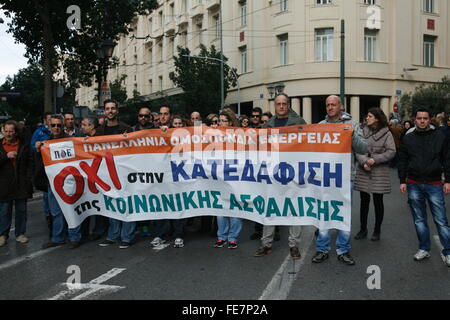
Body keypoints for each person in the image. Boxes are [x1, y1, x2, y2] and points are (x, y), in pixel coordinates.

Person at [311, 95, 367, 266]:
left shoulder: (352, 124)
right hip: (325, 177)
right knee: (324, 212)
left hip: (344, 177)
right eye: (328, 105)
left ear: (341, 106)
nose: (330, 107)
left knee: (342, 213)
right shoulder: (321, 126)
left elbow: (363, 148)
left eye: (333, 104)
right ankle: (322, 249)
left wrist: (349, 132)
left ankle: (343, 249)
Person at [254, 93, 307, 260]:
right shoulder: (267, 125)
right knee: (270, 207)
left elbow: (307, 146)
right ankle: (266, 243)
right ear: (275, 106)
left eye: (285, 103)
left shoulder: (299, 122)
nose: (282, 106)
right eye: (279, 104)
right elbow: (260, 147)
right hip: (273, 172)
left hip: (293, 172)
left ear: (289, 105)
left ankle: (294, 245)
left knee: (294, 208)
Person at [398, 107, 450, 266]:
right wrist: (402, 180)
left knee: (441, 220)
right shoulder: (408, 138)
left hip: (434, 183)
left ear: (430, 119)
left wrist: (448, 180)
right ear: (415, 120)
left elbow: (447, 159)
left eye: (425, 118)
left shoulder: (440, 136)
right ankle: (424, 249)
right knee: (419, 220)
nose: (422, 121)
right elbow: (403, 161)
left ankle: (448, 251)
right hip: (414, 183)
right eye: (419, 118)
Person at [38, 115, 82, 249]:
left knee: (71, 210)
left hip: (69, 182)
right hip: (53, 183)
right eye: (53, 125)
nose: (56, 128)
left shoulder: (70, 141)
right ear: (49, 127)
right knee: (56, 211)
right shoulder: (46, 143)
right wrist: (38, 149)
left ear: (63, 126)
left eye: (59, 125)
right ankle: (58, 237)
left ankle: (75, 237)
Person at [97, 99, 135, 249]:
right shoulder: (99, 131)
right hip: (106, 174)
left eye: (113, 108)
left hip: (124, 174)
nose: (110, 111)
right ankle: (113, 235)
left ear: (117, 110)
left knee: (127, 203)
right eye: (108, 109)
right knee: (111, 205)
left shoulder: (127, 129)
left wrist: (129, 140)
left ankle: (127, 236)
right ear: (104, 111)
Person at [354, 108, 396, 241]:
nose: (367, 118)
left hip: (379, 171)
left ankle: (377, 230)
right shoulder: (362, 131)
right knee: (364, 202)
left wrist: (375, 159)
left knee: (378, 202)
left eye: (370, 116)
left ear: (377, 118)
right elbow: (357, 148)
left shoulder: (387, 133)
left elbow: (391, 151)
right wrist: (364, 161)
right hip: (363, 170)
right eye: (367, 116)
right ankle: (363, 229)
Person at [0, 121, 33, 247]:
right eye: (6, 131)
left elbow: (30, 162)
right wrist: (5, 157)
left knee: (21, 210)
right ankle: (3, 235)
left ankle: (20, 234)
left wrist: (28, 178)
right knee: (4, 211)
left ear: (15, 132)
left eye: (11, 131)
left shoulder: (23, 144)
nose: (8, 134)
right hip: (4, 183)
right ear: (3, 131)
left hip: (21, 183)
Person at [30, 112, 53, 237]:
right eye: (49, 120)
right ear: (45, 120)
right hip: (45, 169)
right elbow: (32, 146)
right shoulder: (39, 133)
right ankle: (49, 219)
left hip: (56, 169)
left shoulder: (57, 131)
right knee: (46, 196)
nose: (52, 123)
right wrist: (37, 146)